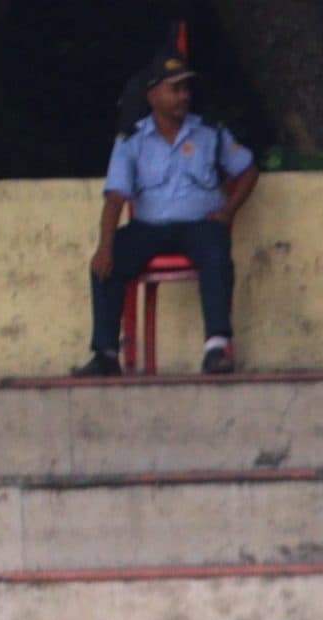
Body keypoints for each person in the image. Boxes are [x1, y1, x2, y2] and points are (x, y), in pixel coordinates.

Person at [75, 54, 260, 378]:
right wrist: (105, 247)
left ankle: (216, 349)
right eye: (174, 89)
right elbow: (115, 198)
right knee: (107, 260)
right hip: (148, 228)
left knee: (216, 253)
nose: (183, 96)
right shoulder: (131, 141)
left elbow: (248, 170)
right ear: (153, 96)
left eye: (185, 89)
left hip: (200, 226)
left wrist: (228, 211)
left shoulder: (209, 133)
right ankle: (105, 354)